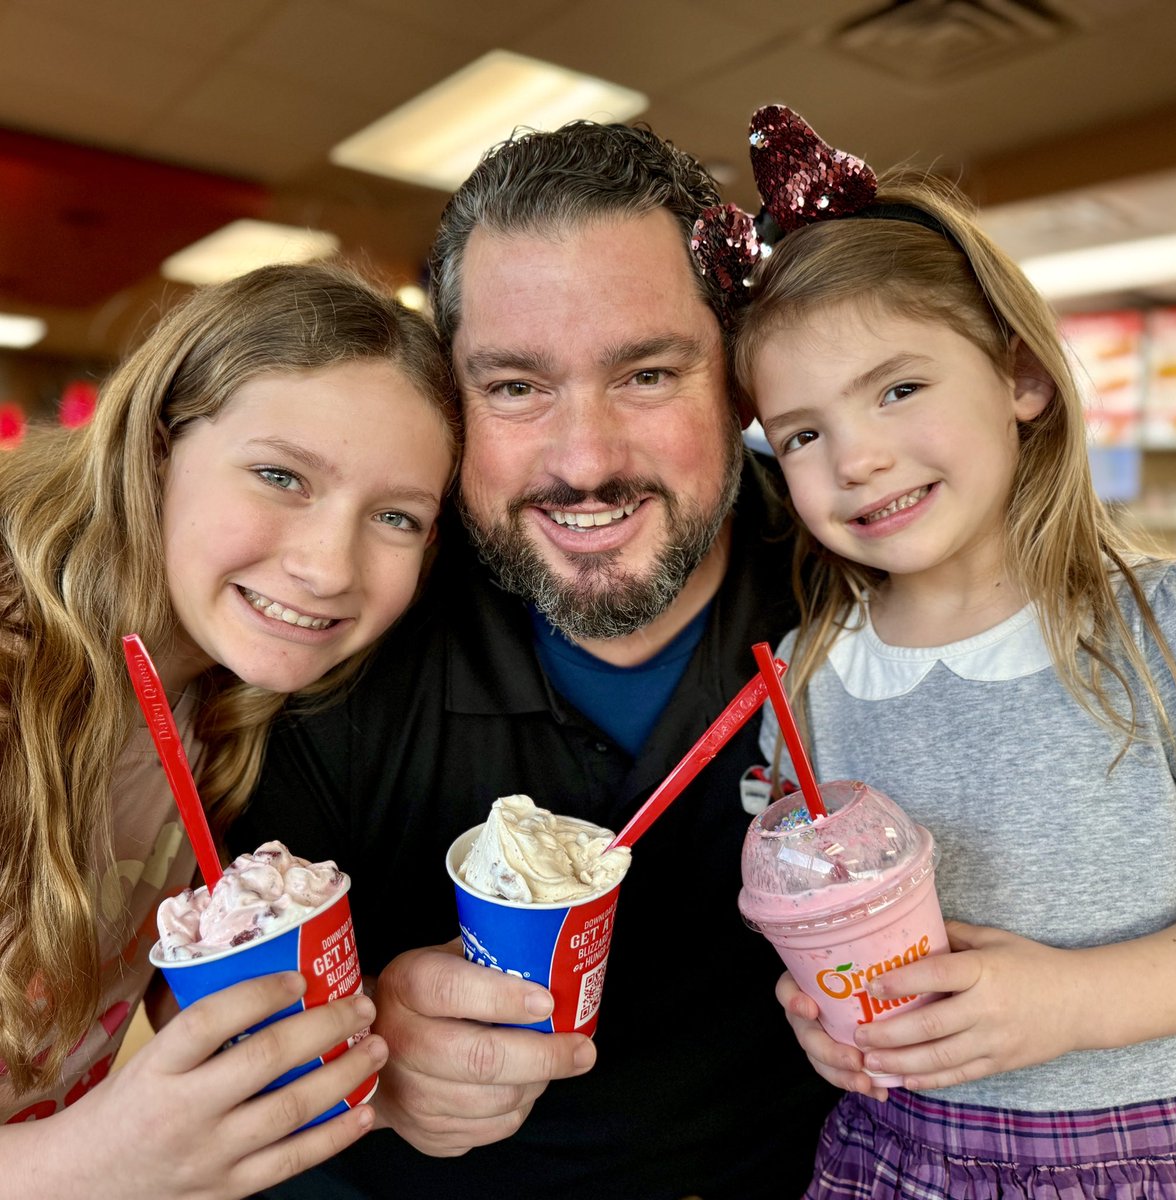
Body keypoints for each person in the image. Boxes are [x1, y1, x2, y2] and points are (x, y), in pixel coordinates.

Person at [230, 119, 839, 1199]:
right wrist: (357, 1053)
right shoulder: (341, 630)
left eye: (648, 374)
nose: (585, 462)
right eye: (515, 387)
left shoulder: (866, 586)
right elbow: (223, 1041)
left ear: (739, 380)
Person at [730, 108, 1176, 1197]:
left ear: (1020, 379)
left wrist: (1077, 1003)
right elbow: (813, 916)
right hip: (893, 1160)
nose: (859, 457)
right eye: (800, 432)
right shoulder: (803, 676)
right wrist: (816, 1011)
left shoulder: (1170, 629)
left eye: (898, 388)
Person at [0, 261, 459, 1198]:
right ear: (158, 446)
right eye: (281, 474)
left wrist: (374, 1054)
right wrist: (84, 1167)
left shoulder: (229, 702)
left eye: (397, 517)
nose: (331, 566)